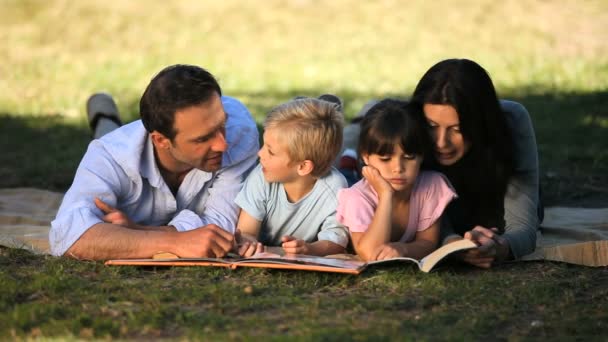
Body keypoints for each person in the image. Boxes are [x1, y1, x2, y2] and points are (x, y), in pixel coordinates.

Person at [49, 64, 259, 260]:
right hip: (118, 145)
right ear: (160, 140)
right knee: (107, 137)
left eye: (221, 124)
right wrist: (173, 241)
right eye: (202, 139)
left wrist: (137, 231)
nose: (222, 145)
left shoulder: (238, 132)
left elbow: (222, 227)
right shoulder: (109, 155)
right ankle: (105, 119)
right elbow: (69, 235)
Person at [410, 58, 542, 268]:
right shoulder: (410, 128)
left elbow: (524, 225)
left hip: (491, 212)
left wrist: (501, 247)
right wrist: (451, 244)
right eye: (431, 126)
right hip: (434, 219)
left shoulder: (511, 121)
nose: (441, 142)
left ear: (482, 123)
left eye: (457, 129)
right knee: (376, 115)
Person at [336, 99, 457, 261]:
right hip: (356, 184)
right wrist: (386, 195)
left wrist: (404, 249)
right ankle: (348, 163)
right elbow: (369, 253)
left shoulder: (430, 185)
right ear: (366, 156)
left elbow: (428, 242)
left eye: (409, 157)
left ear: (421, 156)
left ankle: (350, 162)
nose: (398, 168)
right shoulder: (356, 197)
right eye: (385, 159)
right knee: (346, 178)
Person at [235, 98, 350, 257]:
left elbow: (337, 242)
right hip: (270, 247)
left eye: (271, 152)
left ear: (302, 167)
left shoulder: (335, 187)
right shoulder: (261, 176)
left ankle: (350, 162)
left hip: (345, 180)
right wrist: (249, 244)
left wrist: (309, 250)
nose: (259, 154)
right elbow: (246, 231)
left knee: (351, 177)